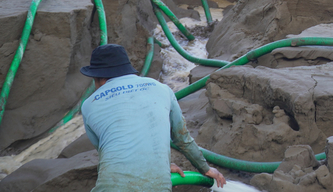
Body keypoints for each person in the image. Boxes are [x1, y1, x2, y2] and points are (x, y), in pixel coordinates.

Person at [80, 44, 226, 191]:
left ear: (101, 79)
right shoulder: (162, 89)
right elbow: (182, 139)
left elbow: (108, 152)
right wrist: (205, 169)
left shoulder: (89, 105)